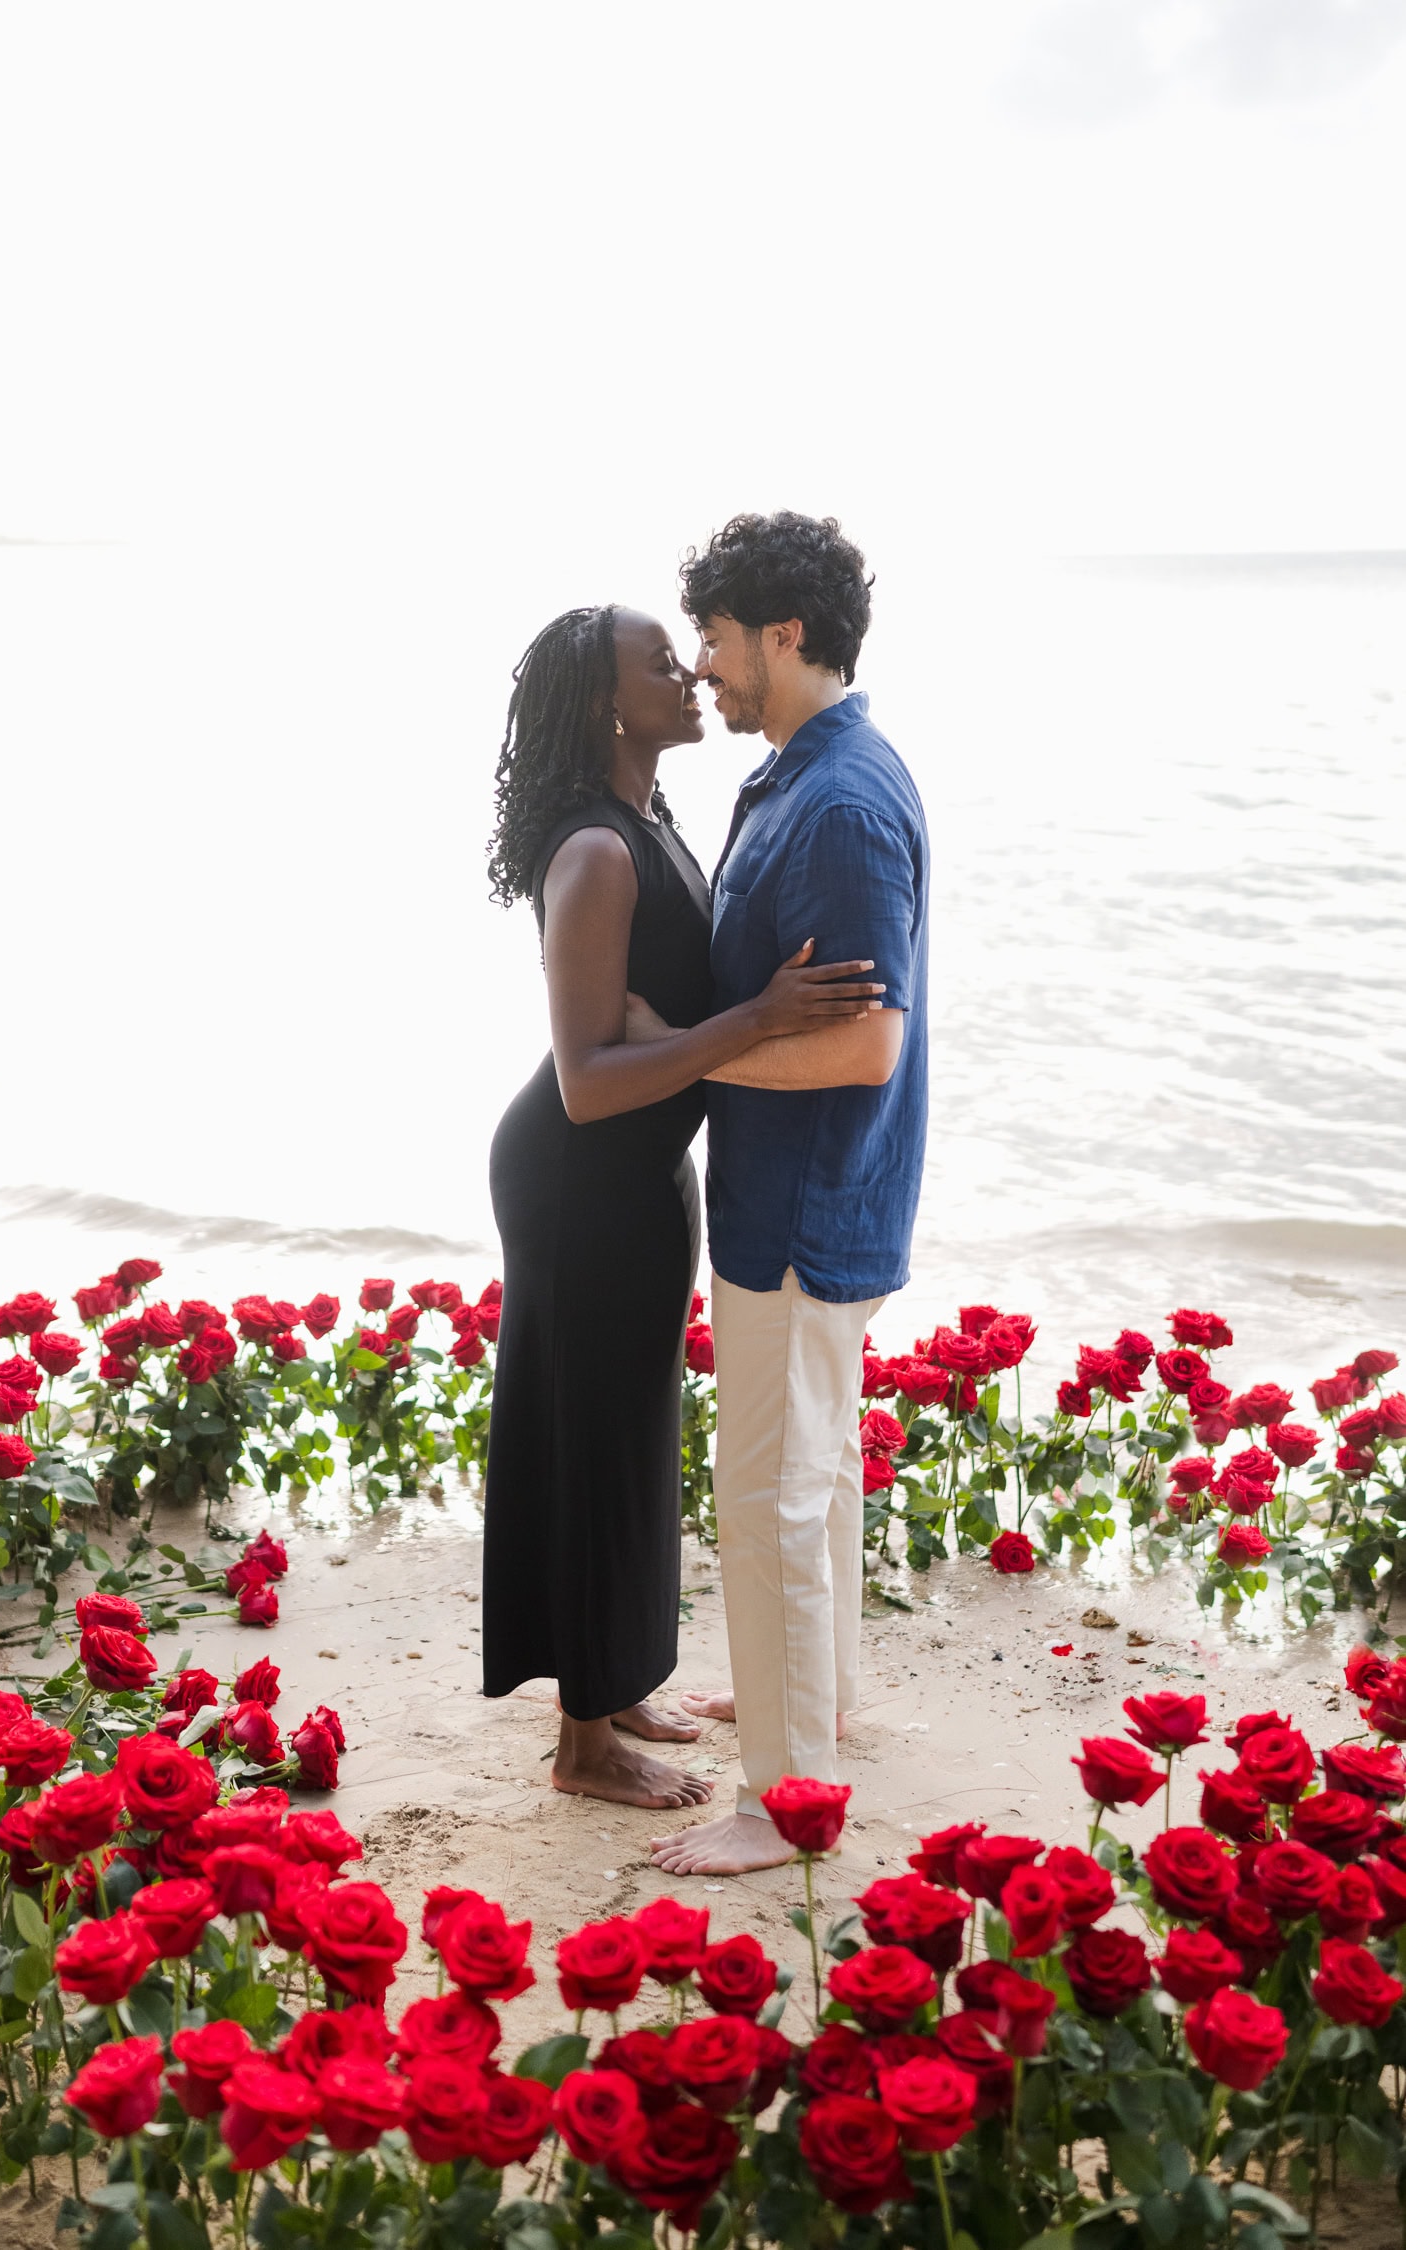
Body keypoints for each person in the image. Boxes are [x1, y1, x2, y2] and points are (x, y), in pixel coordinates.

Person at [480, 602, 885, 1811]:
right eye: (660, 662)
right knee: (590, 1441)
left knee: (629, 1434)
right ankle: (583, 1744)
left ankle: (613, 1687)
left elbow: (650, 1028)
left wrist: (699, 1036)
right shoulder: (596, 852)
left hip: (639, 1176)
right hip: (580, 1177)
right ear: (610, 706)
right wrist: (747, 1026)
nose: (689, 671)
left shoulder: (648, 820)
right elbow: (588, 1080)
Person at [642, 512, 931, 1877]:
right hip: (794, 1193)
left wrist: (695, 1060)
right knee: (812, 1475)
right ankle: (812, 1705)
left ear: (784, 634)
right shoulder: (792, 775)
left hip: (806, 1207)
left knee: (770, 1493)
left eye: (714, 638)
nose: (701, 665)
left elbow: (867, 1040)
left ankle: (788, 1797)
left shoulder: (845, 801)